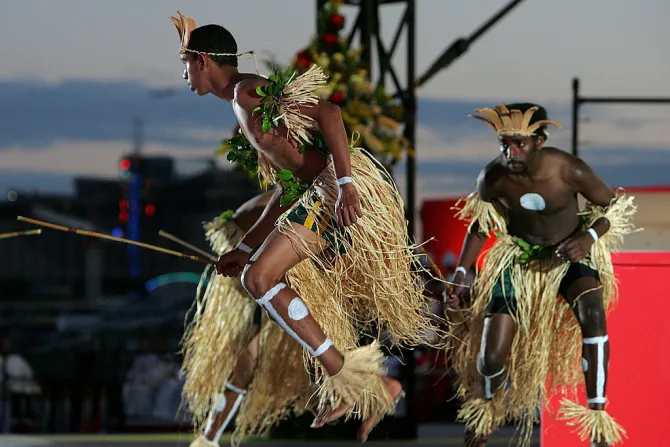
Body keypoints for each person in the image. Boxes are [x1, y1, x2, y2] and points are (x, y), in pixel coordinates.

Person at [169, 11, 444, 444]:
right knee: (255, 271)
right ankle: (373, 386)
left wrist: (347, 184)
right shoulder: (243, 106)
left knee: (259, 277)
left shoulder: (246, 93)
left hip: (334, 189)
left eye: (185, 64)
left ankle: (346, 375)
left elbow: (330, 114)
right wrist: (245, 243)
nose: (184, 75)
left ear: (202, 59)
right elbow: (286, 187)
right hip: (318, 192)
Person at [446, 103, 636, 447]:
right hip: (519, 261)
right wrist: (462, 270)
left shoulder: (568, 169)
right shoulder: (494, 176)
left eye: (519, 143)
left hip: (569, 255)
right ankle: (485, 407)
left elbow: (612, 207)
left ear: (539, 141)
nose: (510, 151)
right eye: (505, 143)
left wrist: (588, 238)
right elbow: (481, 225)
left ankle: (597, 418)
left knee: (593, 314)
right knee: (491, 355)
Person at [181, 187, 313, 447]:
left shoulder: (309, 207)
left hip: (260, 260)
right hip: (248, 258)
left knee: (251, 359)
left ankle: (209, 437)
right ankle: (209, 436)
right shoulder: (296, 201)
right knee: (247, 358)